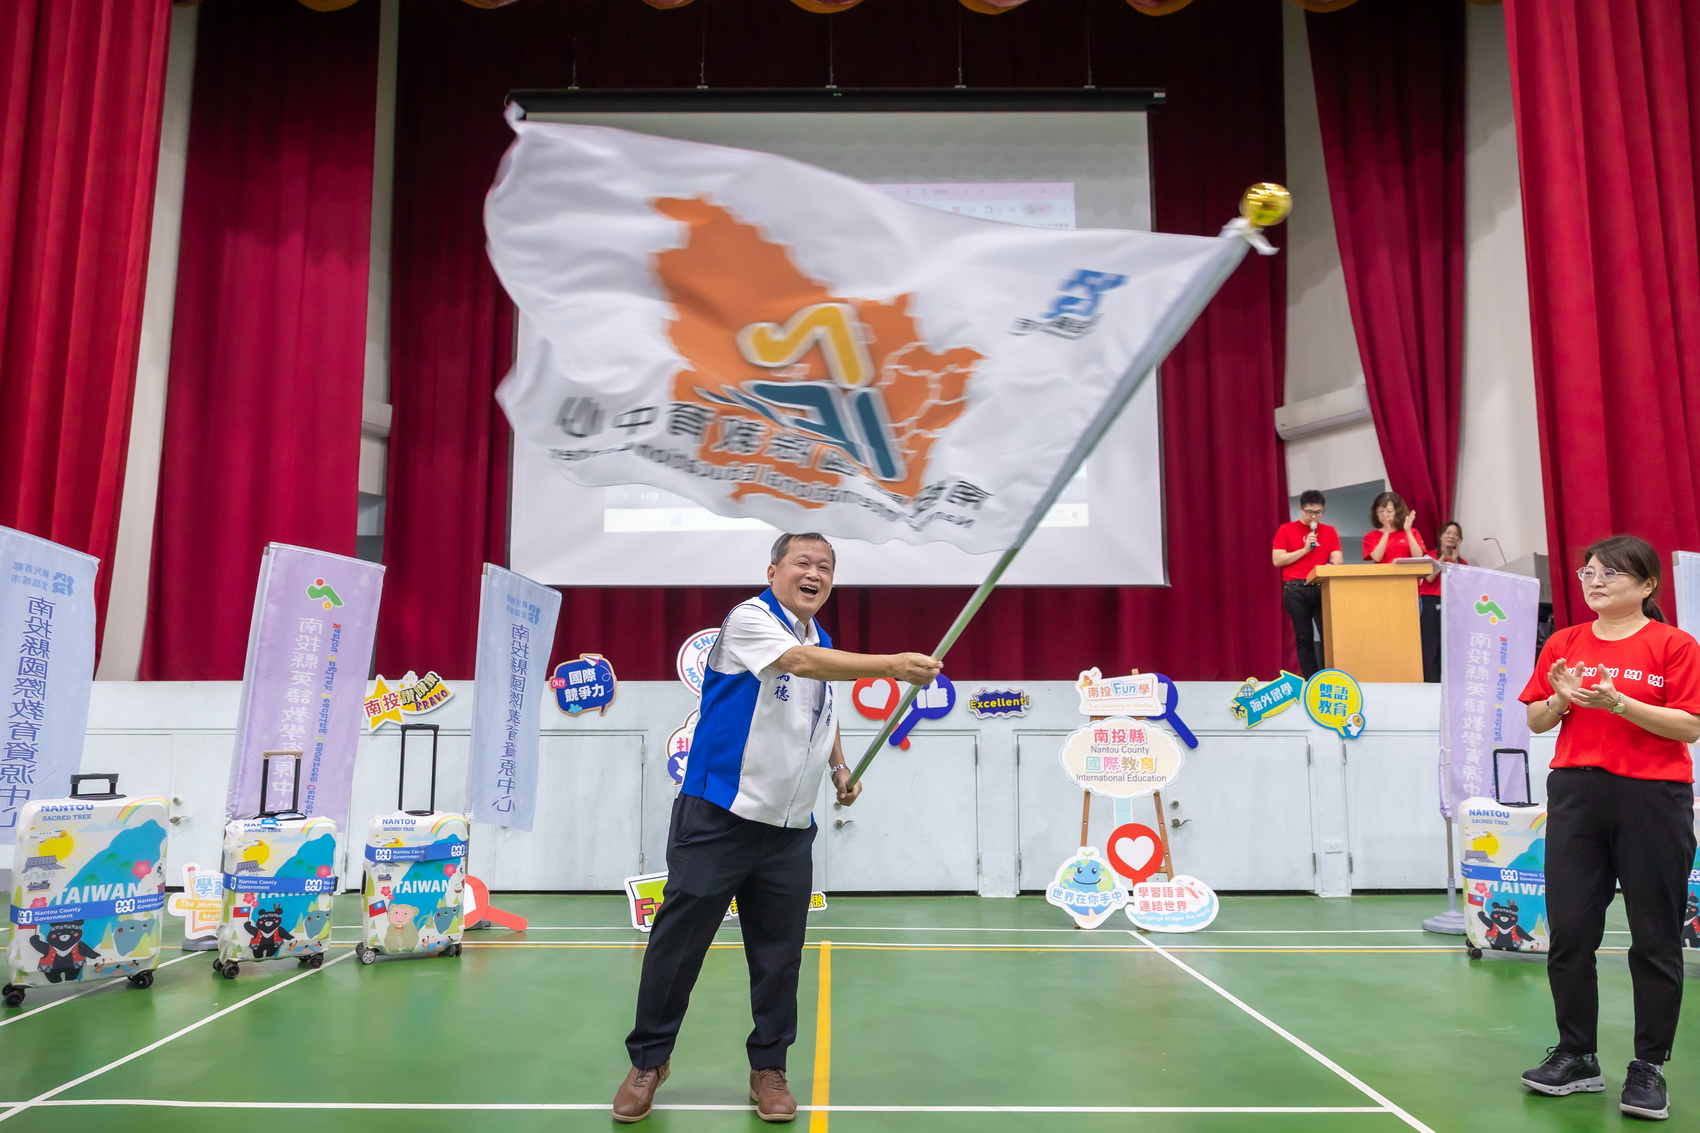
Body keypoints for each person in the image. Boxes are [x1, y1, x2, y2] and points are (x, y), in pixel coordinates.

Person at [613, 532, 942, 1125]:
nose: (814, 574)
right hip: (718, 818)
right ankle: (648, 1062)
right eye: (803, 563)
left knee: (778, 957)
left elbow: (822, 707)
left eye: (826, 567)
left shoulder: (821, 640)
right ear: (773, 572)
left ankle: (768, 1067)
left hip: (789, 829)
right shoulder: (750, 621)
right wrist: (892, 666)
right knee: (678, 948)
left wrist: (839, 767)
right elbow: (798, 665)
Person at [1516, 535, 1700, 1121]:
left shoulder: (1674, 644)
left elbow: (1689, 726)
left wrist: (1620, 703)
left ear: (1647, 585)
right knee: (1570, 930)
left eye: (1611, 573)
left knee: (1654, 936)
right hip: (1576, 794)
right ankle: (1577, 1055)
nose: (1595, 581)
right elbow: (1537, 718)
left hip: (1653, 798)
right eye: (1588, 572)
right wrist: (1562, 699)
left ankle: (1648, 1066)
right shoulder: (1565, 642)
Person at [1271, 490, 1343, 677]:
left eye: (1318, 512)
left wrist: (1330, 565)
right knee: (1304, 636)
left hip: (1321, 588)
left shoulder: (1329, 531)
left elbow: (1337, 558)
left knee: (1328, 635)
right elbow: (1277, 560)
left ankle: (1329, 676)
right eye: (1309, 512)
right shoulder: (1286, 529)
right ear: (1300, 509)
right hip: (1295, 589)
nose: (1314, 516)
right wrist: (1304, 550)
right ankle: (1311, 678)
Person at [1419, 520, 1467, 683]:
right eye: (1448, 533)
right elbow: (1429, 579)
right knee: (1431, 645)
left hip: (1453, 604)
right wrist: (1441, 558)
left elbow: (1462, 586)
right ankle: (1431, 683)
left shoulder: (1462, 562)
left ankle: (1450, 683)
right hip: (1431, 601)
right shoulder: (1429, 556)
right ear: (1440, 536)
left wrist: (1455, 561)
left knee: (1451, 647)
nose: (1451, 536)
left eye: (1456, 534)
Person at [1362, 490, 1427, 563]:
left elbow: (1418, 556)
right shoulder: (1370, 536)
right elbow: (1377, 557)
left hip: (1408, 570)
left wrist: (1408, 531)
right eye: (1380, 511)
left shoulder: (1413, 532)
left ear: (1398, 512)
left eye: (1389, 511)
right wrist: (1387, 532)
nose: (1385, 515)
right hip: (1384, 570)